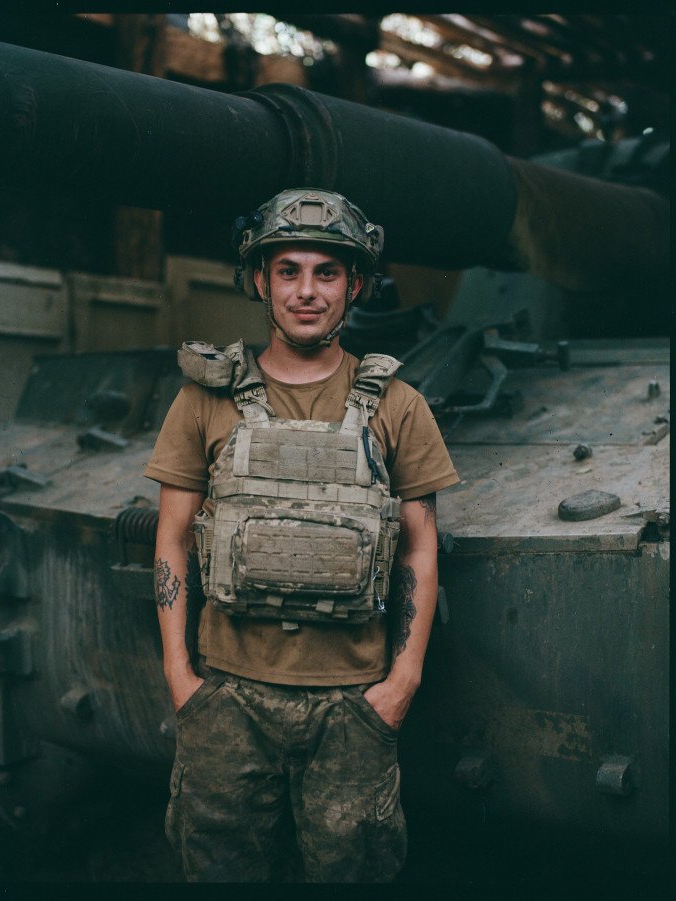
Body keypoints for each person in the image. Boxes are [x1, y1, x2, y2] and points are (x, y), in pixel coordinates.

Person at [144, 188, 458, 882]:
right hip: (227, 699)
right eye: (288, 270)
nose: (306, 291)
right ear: (260, 280)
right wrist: (180, 677)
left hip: (352, 705)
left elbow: (419, 547)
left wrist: (401, 683)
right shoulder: (205, 397)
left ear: (355, 285)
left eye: (326, 272)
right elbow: (169, 541)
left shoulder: (398, 406)